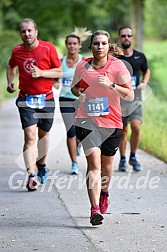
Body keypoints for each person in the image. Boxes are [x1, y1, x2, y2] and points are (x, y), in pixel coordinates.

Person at [71, 30, 134, 225]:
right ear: (90, 46)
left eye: (103, 43)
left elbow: (130, 95)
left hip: (112, 122)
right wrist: (78, 93)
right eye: (96, 43)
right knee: (94, 165)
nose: (100, 46)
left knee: (106, 167)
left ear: (109, 46)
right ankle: (94, 209)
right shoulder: (83, 65)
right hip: (86, 120)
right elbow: (74, 87)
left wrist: (111, 85)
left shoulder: (117, 66)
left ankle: (104, 193)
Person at [6, 18, 62, 191]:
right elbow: (11, 66)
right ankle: (31, 175)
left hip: (46, 99)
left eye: (30, 30)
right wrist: (10, 81)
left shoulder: (48, 48)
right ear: (20, 34)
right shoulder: (17, 51)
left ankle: (42, 164)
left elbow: (59, 71)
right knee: (30, 136)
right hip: (26, 98)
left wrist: (42, 73)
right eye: (23, 31)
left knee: (43, 136)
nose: (27, 34)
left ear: (36, 32)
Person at [57, 28, 91, 175]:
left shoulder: (84, 62)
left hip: (81, 100)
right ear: (66, 45)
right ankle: (74, 163)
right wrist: (55, 82)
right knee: (70, 131)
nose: (72, 46)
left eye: (74, 44)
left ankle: (78, 144)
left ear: (79, 46)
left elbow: (91, 80)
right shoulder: (61, 62)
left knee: (81, 132)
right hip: (65, 99)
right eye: (69, 44)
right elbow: (54, 74)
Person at [117, 26, 150, 172]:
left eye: (128, 35)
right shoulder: (115, 57)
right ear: (119, 38)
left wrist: (144, 82)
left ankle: (133, 156)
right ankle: (123, 159)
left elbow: (146, 70)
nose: (126, 38)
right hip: (119, 100)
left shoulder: (140, 56)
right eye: (123, 36)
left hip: (135, 98)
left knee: (136, 127)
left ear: (132, 38)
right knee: (123, 131)